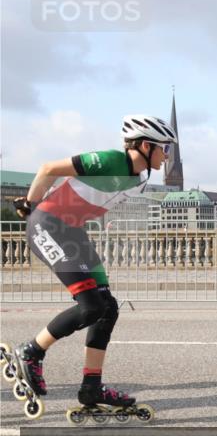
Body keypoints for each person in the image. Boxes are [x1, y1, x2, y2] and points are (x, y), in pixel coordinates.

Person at [10, 115, 175, 415]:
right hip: (47, 225)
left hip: (73, 232)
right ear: (146, 145)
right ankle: (31, 352)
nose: (168, 156)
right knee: (90, 307)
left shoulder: (141, 179)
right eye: (166, 149)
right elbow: (48, 168)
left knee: (107, 307)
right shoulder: (109, 160)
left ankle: (91, 387)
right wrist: (30, 205)